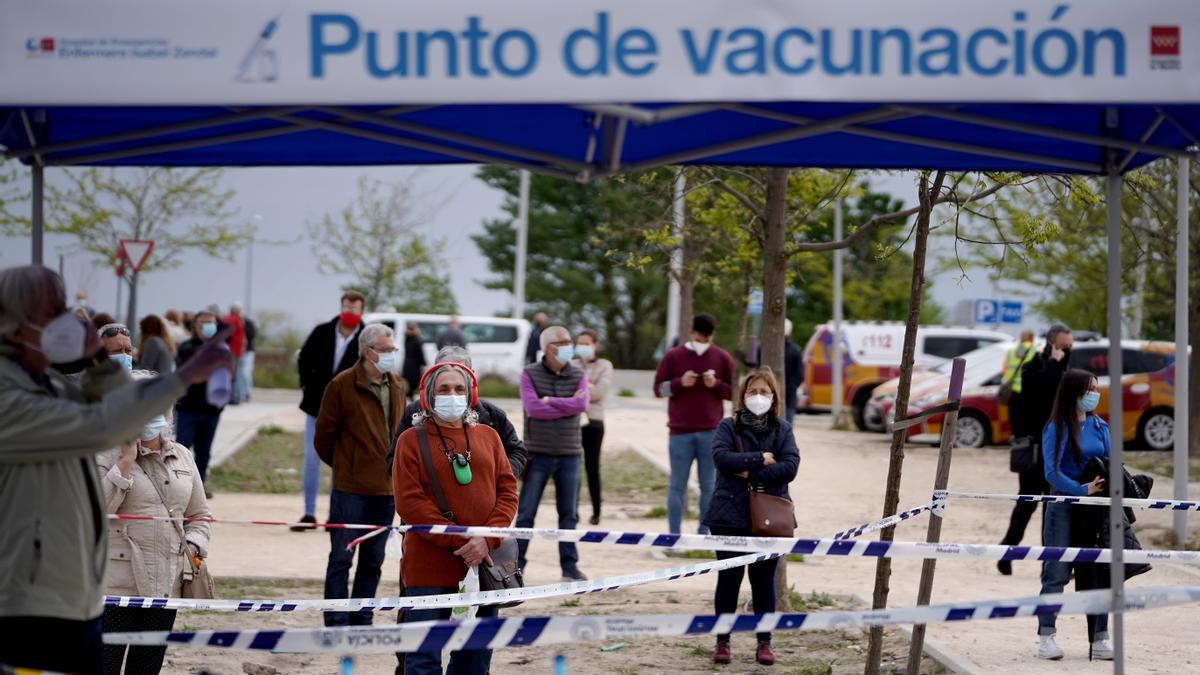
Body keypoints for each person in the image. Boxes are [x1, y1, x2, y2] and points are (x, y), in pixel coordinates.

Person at [0, 264, 230, 674]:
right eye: (50, 316)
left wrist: (97, 360)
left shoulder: (43, 383)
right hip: (27, 597)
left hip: (73, 592)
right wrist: (182, 377)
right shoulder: (11, 393)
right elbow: (106, 422)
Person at [392, 362, 518, 675]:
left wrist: (485, 541)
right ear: (428, 397)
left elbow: (507, 493)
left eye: (459, 389)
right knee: (422, 660)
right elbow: (410, 504)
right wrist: (463, 540)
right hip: (428, 568)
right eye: (444, 389)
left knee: (474, 661)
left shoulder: (489, 437)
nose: (453, 395)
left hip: (483, 567)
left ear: (471, 394)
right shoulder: (410, 440)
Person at [96, 392, 212, 674]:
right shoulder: (104, 453)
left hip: (165, 585)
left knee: (147, 668)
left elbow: (199, 516)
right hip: (117, 587)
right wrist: (124, 462)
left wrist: (193, 548)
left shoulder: (182, 455)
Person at [704, 366, 799, 666]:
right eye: (752, 391)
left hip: (769, 517)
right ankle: (722, 642)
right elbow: (721, 458)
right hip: (728, 514)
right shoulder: (728, 427)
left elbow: (790, 467)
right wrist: (760, 458)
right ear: (743, 395)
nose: (758, 397)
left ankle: (764, 643)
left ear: (774, 396)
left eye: (764, 392)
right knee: (728, 581)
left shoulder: (782, 429)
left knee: (763, 583)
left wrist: (746, 470)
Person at [314, 324, 405, 627]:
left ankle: (361, 616)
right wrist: (346, 465)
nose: (392, 355)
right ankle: (337, 618)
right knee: (341, 557)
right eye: (386, 350)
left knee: (373, 560)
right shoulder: (341, 384)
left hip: (387, 489)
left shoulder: (398, 384)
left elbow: (400, 433)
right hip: (350, 489)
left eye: (394, 349)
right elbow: (323, 437)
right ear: (368, 352)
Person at [1035, 369, 1112, 661]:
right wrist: (1082, 490)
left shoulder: (1100, 425)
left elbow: (1112, 462)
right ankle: (1046, 637)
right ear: (1073, 392)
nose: (1094, 393)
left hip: (1095, 511)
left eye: (1096, 387)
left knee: (1097, 572)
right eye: (1089, 388)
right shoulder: (1056, 426)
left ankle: (1100, 638)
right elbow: (1051, 472)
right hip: (1063, 509)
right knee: (1056, 574)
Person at [997, 324, 1073, 575]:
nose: (1066, 351)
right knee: (1027, 502)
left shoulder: (1066, 370)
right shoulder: (1034, 367)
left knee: (1053, 506)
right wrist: (1052, 362)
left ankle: (1048, 562)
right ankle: (1006, 552)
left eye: (1069, 347)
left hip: (1057, 449)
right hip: (1034, 448)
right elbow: (1040, 390)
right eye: (1063, 346)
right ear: (1051, 344)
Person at [516, 325, 590, 581]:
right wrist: (565, 405)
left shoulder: (578, 373)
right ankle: (516, 566)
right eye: (564, 342)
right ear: (548, 348)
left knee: (568, 514)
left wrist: (551, 401)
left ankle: (569, 567)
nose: (570, 345)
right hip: (538, 453)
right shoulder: (529, 373)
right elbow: (534, 409)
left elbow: (582, 404)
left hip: (570, 453)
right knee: (526, 513)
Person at [389, 346, 527, 480]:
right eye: (444, 372)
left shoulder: (491, 415)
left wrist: (498, 476)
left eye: (460, 372)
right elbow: (393, 460)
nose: (453, 377)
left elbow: (517, 451)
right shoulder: (414, 412)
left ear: (471, 377)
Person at [653, 313, 734, 535]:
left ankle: (704, 534)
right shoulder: (673, 357)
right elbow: (658, 390)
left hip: (711, 432)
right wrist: (679, 383)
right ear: (691, 333)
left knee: (709, 486)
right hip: (680, 433)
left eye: (707, 339)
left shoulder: (722, 357)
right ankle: (674, 535)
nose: (703, 342)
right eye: (700, 338)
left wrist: (715, 384)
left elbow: (734, 393)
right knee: (677, 486)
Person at [294, 291, 366, 529]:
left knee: (342, 463)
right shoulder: (322, 331)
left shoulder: (365, 338)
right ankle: (309, 513)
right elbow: (304, 360)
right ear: (340, 306)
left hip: (348, 412)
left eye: (355, 309)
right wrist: (308, 386)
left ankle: (336, 514)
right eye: (347, 307)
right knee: (311, 459)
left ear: (362, 311)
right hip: (316, 406)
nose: (350, 313)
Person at [174, 310, 227, 485]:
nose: (210, 326)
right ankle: (179, 485)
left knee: (204, 452)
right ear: (196, 326)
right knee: (182, 450)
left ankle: (200, 487)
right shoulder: (187, 347)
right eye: (205, 322)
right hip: (189, 409)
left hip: (211, 410)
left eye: (213, 323)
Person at [576, 328, 613, 525]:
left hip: (594, 422)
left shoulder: (604, 365)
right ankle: (573, 509)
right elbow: (562, 391)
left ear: (595, 345)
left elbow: (600, 392)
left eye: (586, 343)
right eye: (579, 343)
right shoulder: (571, 364)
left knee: (592, 467)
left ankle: (596, 510)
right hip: (572, 421)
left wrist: (579, 389)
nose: (582, 347)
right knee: (573, 466)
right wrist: (587, 386)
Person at [225, 303, 247, 405]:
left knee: (234, 375)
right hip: (232, 351)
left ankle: (233, 395)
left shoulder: (235, 319)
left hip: (235, 351)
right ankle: (231, 396)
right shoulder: (232, 319)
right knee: (232, 375)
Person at [401, 321, 427, 398]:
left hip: (407, 364)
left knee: (410, 384)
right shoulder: (416, 340)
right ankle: (409, 397)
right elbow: (420, 354)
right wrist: (424, 364)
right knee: (415, 384)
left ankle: (409, 396)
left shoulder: (406, 338)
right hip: (415, 365)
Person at [239, 311, 257, 403]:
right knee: (239, 374)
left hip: (248, 352)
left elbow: (251, 335)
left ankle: (247, 393)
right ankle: (240, 393)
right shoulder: (235, 322)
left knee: (246, 373)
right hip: (238, 352)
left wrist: (243, 327)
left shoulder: (248, 323)